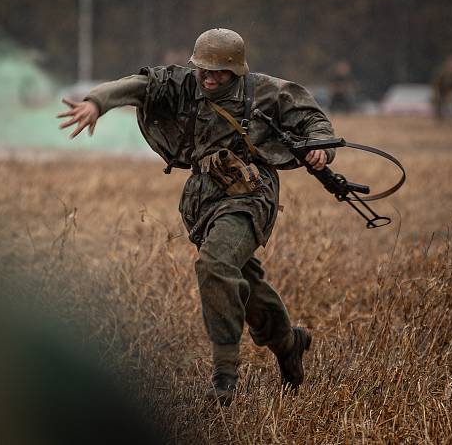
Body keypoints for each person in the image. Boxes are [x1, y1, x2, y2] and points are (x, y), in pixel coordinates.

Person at [57, 28, 337, 405]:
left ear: (236, 70)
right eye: (202, 69)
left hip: (252, 195)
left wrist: (320, 150)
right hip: (203, 199)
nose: (208, 77)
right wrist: (96, 103)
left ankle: (224, 375)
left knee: (215, 264)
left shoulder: (268, 91)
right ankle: (288, 343)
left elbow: (314, 122)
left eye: (217, 72)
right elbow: (138, 86)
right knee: (241, 280)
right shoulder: (182, 84)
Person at [432, 55, 452, 121]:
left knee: (451, 100)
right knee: (438, 101)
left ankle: (451, 117)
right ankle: (439, 117)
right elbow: (436, 84)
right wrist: (436, 94)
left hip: (451, 93)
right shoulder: (442, 73)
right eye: (450, 63)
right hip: (441, 92)